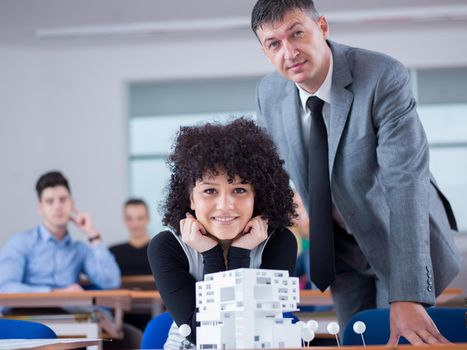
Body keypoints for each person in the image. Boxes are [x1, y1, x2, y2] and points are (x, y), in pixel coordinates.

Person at [251, 0, 461, 345]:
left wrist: (407, 294)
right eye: (274, 44)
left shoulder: (381, 76)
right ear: (265, 52)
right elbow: (267, 176)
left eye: (297, 34)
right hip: (338, 248)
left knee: (397, 336)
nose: (289, 52)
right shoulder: (269, 93)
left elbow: (405, 183)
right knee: (356, 340)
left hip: (397, 236)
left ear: (322, 28)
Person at [148, 118, 297, 349]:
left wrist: (239, 252)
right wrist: (212, 254)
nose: (225, 205)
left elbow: (260, 328)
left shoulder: (278, 241)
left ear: (256, 196)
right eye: (209, 191)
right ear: (191, 199)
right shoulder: (167, 247)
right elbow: (205, 335)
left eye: (239, 190)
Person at [0, 171, 121, 293]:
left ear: (72, 204)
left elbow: (111, 282)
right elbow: (4, 288)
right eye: (50, 201)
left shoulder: (79, 250)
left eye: (63, 200)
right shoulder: (20, 243)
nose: (57, 206)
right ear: (40, 208)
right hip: (27, 311)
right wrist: (54, 293)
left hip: (70, 312)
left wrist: (92, 234)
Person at [110, 198, 152, 276]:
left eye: (140, 218)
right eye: (130, 219)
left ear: (148, 219)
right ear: (125, 220)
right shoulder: (113, 253)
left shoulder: (159, 251)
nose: (135, 224)